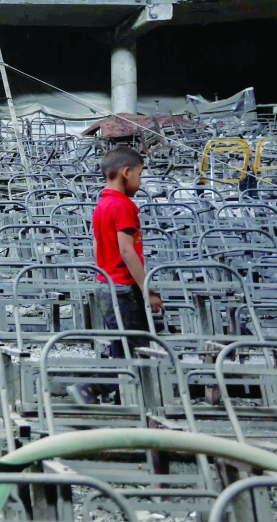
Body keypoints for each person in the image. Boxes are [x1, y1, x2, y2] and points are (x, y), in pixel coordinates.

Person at [67, 145, 163, 405]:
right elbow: (127, 251)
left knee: (123, 345)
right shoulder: (123, 206)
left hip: (107, 285)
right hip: (122, 288)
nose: (140, 181)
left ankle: (126, 399)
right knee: (137, 346)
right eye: (140, 175)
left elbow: (98, 246)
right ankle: (92, 387)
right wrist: (148, 290)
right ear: (126, 172)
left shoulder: (102, 204)